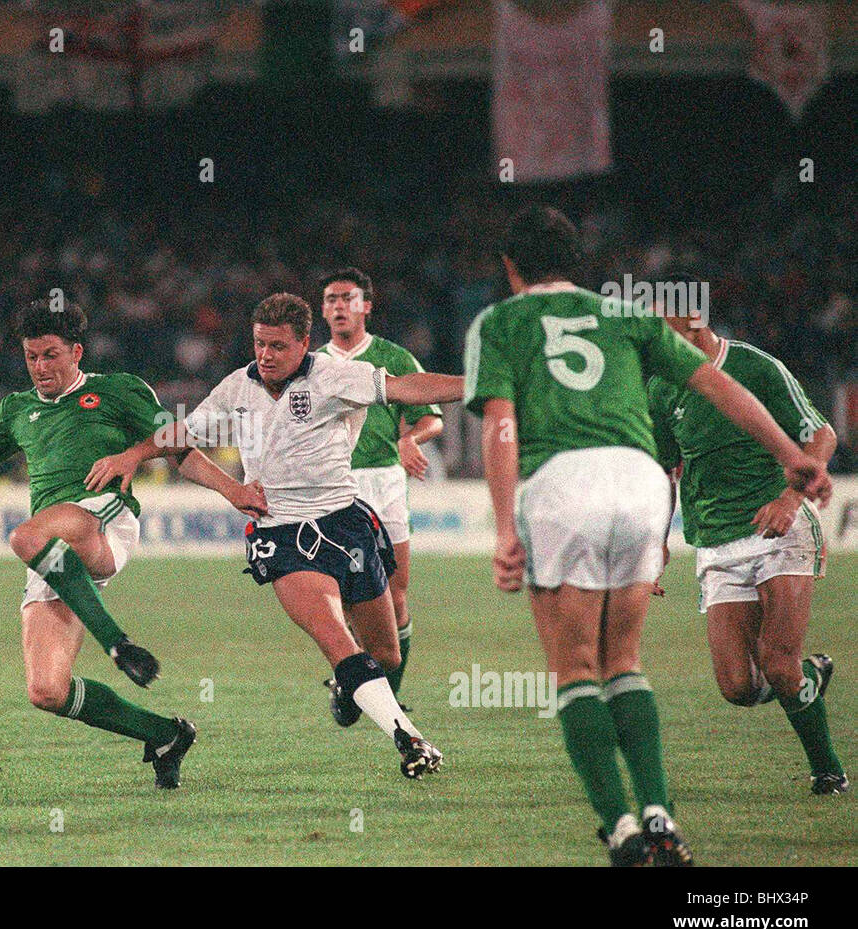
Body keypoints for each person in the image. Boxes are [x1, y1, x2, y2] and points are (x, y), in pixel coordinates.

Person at [465, 206, 832, 865]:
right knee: (625, 661)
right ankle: (662, 818)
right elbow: (717, 386)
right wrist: (793, 454)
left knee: (577, 668)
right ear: (574, 261)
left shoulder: (501, 321)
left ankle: (622, 828)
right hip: (639, 483)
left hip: (563, 482)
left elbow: (499, 425)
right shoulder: (627, 315)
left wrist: (501, 529)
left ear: (511, 269)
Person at [0, 300, 267, 789]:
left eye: (51, 355)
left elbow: (179, 448)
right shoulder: (17, 409)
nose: (40, 367)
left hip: (102, 522)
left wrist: (235, 490)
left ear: (76, 352)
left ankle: (116, 643)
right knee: (47, 691)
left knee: (25, 533)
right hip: (53, 551)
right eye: (32, 356)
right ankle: (163, 733)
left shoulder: (117, 390)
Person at [86, 293, 463, 779]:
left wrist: (479, 385)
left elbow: (408, 387)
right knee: (336, 640)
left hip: (345, 525)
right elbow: (183, 434)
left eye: (278, 347)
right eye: (259, 344)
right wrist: (135, 456)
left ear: (305, 344)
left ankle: (349, 688)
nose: (265, 355)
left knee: (386, 654)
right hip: (281, 535)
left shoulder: (333, 376)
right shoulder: (236, 388)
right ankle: (409, 739)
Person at [649, 275, 846, 795]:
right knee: (738, 687)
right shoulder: (662, 387)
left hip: (779, 530)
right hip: (715, 540)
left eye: (658, 324)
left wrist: (790, 499)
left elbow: (820, 432)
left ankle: (828, 770)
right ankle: (808, 678)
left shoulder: (755, 367)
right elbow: (665, 470)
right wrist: (655, 545)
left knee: (777, 663)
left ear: (692, 323)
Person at [316, 267, 443, 706]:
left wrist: (410, 438)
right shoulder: (313, 364)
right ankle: (354, 686)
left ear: (366, 306)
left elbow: (431, 417)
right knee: (350, 599)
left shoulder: (394, 357)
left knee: (396, 590)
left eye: (347, 299)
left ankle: (390, 694)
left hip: (385, 480)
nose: (338, 307)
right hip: (334, 485)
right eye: (330, 299)